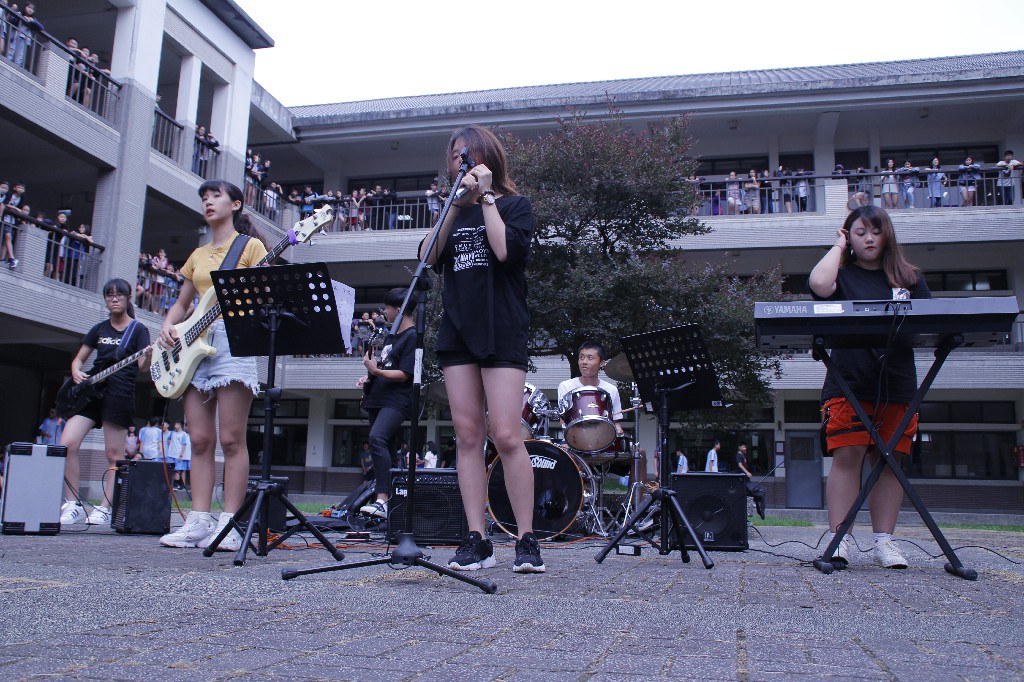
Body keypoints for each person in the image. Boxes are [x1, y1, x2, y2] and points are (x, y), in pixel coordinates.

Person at [418, 124, 543, 573]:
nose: (462, 162)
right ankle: (477, 538)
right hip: (458, 332)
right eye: (456, 156)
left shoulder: (515, 206)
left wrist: (487, 197)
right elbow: (426, 258)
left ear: (489, 158)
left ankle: (526, 539)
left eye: (469, 154)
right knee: (467, 436)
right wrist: (455, 205)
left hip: (502, 329)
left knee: (506, 434)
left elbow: (506, 251)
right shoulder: (452, 213)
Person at [808, 204, 930, 569]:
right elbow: (818, 285)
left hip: (897, 382)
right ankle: (839, 539)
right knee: (847, 457)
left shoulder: (909, 278)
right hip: (849, 380)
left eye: (875, 231)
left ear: (887, 235)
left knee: (890, 461)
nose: (869, 239)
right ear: (850, 238)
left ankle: (884, 542)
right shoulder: (842, 275)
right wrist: (838, 245)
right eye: (860, 233)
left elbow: (930, 320)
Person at [157, 179, 268, 551]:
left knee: (232, 439)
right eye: (204, 197)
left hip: (232, 339)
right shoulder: (197, 254)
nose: (208, 201)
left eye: (215, 196)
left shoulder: (250, 247)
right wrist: (167, 325)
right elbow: (182, 302)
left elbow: (262, 296)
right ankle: (198, 521)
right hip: (193, 345)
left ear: (235, 204)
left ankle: (230, 524)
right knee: (200, 439)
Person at [58, 279, 151, 526]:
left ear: (128, 298)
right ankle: (72, 504)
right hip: (92, 392)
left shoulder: (138, 330)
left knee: (114, 455)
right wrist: (76, 371)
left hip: (119, 393)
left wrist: (150, 354)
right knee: (66, 444)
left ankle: (105, 507)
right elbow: (79, 360)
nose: (114, 299)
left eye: (119, 294)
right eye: (109, 295)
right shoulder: (99, 328)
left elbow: (143, 367)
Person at [354, 287, 416, 519]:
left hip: (396, 400)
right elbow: (385, 367)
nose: (384, 312)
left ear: (398, 309)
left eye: (387, 308)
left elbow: (404, 374)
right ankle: (391, 503)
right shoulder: (391, 336)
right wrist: (369, 377)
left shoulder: (412, 337)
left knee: (376, 438)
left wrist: (376, 372)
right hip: (378, 398)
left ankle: (382, 498)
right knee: (386, 446)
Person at [557, 341, 625, 438]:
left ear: (602, 363)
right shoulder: (566, 386)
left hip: (602, 439)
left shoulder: (611, 390)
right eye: (581, 357)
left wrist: (618, 430)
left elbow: (615, 422)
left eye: (590, 358)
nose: (584, 362)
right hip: (575, 438)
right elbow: (563, 421)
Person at [734, 443, 766, 519]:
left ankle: (760, 510)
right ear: (739, 447)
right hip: (742, 479)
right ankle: (756, 509)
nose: (745, 448)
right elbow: (740, 465)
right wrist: (747, 472)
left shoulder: (744, 455)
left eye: (745, 447)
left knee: (757, 492)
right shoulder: (738, 455)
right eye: (743, 447)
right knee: (752, 492)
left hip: (746, 479)